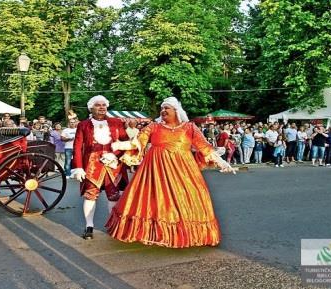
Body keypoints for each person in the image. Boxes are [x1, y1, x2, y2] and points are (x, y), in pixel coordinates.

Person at [105, 97, 234, 248]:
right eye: (162, 108)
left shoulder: (189, 127)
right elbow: (137, 142)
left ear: (176, 111)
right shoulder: (154, 126)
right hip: (155, 171)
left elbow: (204, 147)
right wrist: (116, 145)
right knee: (154, 200)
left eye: (167, 108)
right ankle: (154, 233)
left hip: (184, 171)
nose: (163, 110)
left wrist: (222, 162)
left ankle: (190, 234)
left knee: (189, 196)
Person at [71, 95, 130, 240]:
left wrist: (115, 155)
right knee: (90, 195)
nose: (102, 107)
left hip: (113, 165)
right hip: (92, 166)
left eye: (104, 104)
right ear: (91, 107)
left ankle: (112, 225)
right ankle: (89, 226)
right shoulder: (83, 125)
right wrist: (78, 167)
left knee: (114, 196)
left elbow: (126, 143)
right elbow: (77, 147)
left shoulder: (117, 122)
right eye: (98, 105)